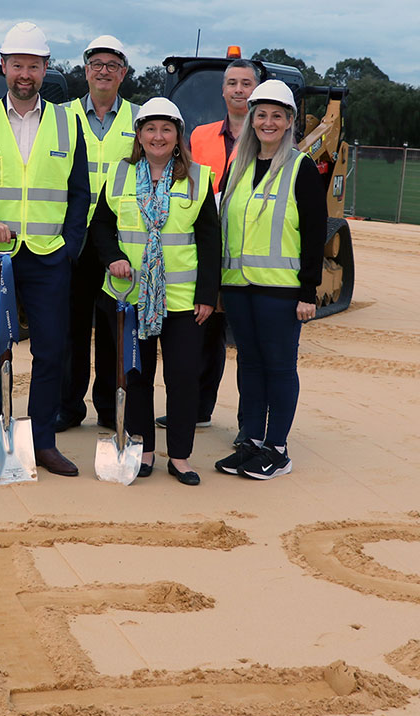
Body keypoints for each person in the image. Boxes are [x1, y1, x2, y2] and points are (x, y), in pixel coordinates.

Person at [0, 21, 91, 477]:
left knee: (51, 350)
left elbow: (79, 193)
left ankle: (43, 441)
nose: (25, 73)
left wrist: (70, 245)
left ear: (46, 68)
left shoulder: (69, 122)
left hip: (49, 257)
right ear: (4, 67)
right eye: (17, 65)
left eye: (33, 65)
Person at [89, 98, 219, 485]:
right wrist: (113, 257)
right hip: (131, 298)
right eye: (150, 129)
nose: (158, 136)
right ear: (139, 136)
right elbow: (100, 227)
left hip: (182, 301)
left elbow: (211, 239)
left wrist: (208, 295)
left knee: (182, 376)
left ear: (178, 136)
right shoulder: (120, 175)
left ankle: (179, 456)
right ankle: (143, 450)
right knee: (137, 375)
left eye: (166, 129)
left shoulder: (198, 176)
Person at [214, 80, 325, 480]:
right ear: (251, 119)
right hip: (239, 287)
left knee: (278, 367)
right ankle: (251, 440)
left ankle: (277, 448)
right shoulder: (238, 166)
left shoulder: (301, 167)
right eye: (261, 114)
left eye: (277, 115)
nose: (268, 122)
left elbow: (315, 232)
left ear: (290, 121)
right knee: (249, 364)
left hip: (281, 291)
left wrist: (308, 291)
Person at [161, 59, 262, 435]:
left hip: (248, 250)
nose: (238, 89)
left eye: (246, 83)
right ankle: (197, 407)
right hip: (203, 246)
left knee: (249, 346)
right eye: (232, 83)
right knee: (205, 331)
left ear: (257, 90)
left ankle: (249, 424)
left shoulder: (269, 138)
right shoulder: (200, 136)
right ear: (222, 91)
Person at [55, 35, 139, 434]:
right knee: (69, 326)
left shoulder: (140, 120)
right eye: (96, 64)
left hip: (117, 241)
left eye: (112, 65)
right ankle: (68, 406)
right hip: (69, 236)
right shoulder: (60, 116)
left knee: (112, 327)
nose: (104, 71)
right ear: (85, 71)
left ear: (123, 74)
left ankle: (109, 406)